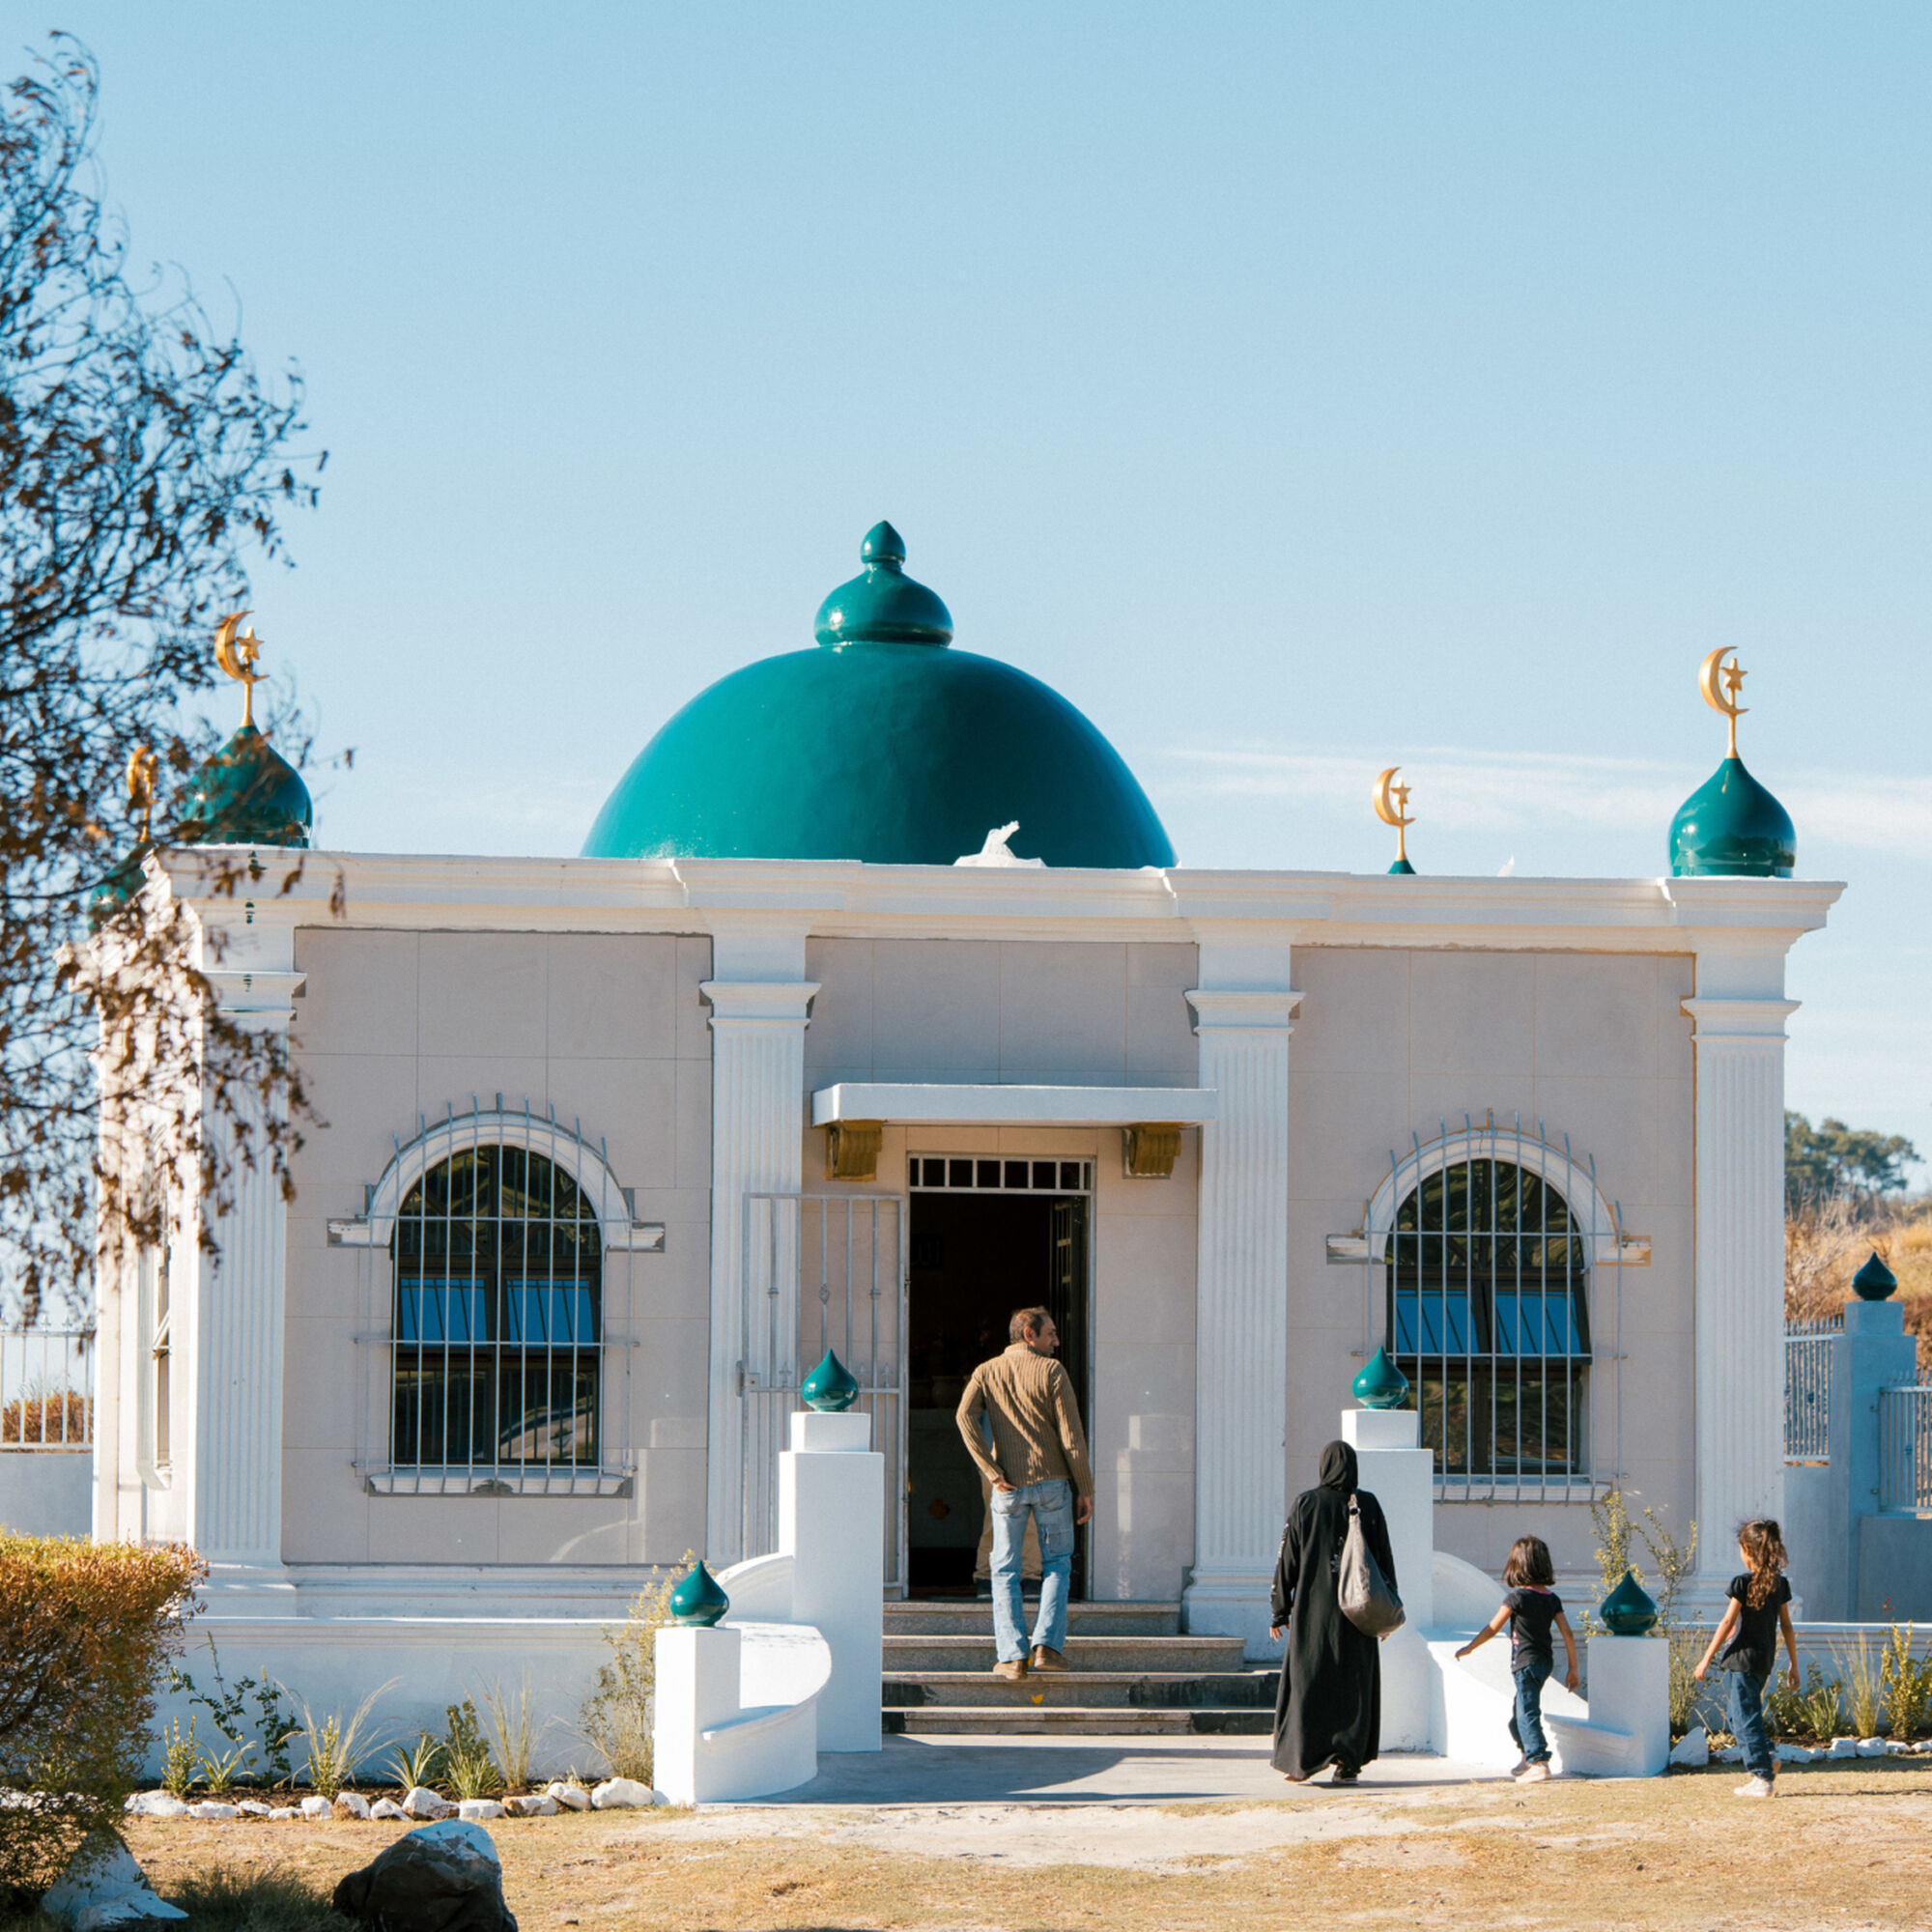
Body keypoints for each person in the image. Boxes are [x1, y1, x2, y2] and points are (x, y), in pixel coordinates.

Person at [954, 1306, 1094, 1681]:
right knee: (1058, 1565)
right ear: (1029, 1334)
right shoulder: (1052, 1371)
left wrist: (990, 1469)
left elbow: (964, 1416)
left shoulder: (987, 1371)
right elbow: (1072, 1437)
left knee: (1004, 1570)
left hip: (1008, 1487)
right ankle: (1047, 1648)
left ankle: (1013, 1657)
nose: (1056, 1341)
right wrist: (1085, 1487)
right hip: (1053, 1485)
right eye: (1051, 1333)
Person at [1268, 1439, 1396, 1784]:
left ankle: (1304, 1761)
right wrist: (1386, 1614)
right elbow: (1384, 1560)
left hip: (1314, 1613)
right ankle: (1348, 1763)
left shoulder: (1307, 1504)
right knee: (1353, 1686)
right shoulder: (1368, 1504)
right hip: (1360, 1614)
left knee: (1309, 1681)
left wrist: (1280, 1610)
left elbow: (1288, 1558)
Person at [1454, 1535, 1580, 1782]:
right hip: (1543, 1663)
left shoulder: (1517, 1598)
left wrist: (1470, 1647)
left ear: (1517, 1565)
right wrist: (1573, 1669)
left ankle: (1539, 1762)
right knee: (1517, 1716)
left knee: (1527, 1713)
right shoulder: (1551, 1598)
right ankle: (1526, 1757)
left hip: (1525, 1664)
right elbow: (1568, 1633)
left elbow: (1492, 1628)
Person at [1694, 1518, 1799, 1799]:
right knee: (1739, 1714)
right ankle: (1766, 1754)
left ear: (1749, 1551)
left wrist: (1705, 1659)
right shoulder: (1780, 1585)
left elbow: (1727, 1622)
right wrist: (1794, 1665)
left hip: (1741, 1660)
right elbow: (1787, 1626)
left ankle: (1762, 1776)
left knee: (1744, 1716)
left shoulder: (1742, 1583)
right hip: (1763, 1660)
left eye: (1741, 1548)